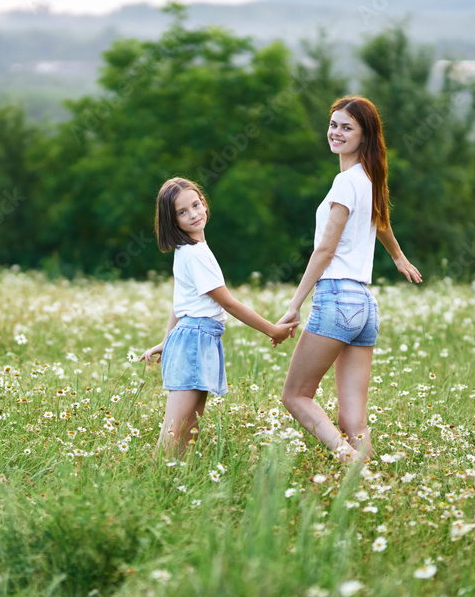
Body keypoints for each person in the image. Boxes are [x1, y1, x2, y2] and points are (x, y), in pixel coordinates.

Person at [276, 95, 422, 467]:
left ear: (364, 136)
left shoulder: (345, 183)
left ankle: (349, 461)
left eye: (347, 128)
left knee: (295, 396)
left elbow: (325, 251)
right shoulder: (369, 181)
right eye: (334, 125)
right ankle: (372, 485)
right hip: (364, 307)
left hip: (338, 298)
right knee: (352, 420)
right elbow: (382, 223)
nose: (336, 133)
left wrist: (294, 306)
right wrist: (398, 256)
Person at [139, 177, 297, 458]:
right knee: (176, 429)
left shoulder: (189, 251)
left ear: (204, 204)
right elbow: (229, 304)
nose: (194, 214)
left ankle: (175, 481)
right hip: (194, 338)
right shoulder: (194, 254)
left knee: (190, 427)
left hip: (196, 338)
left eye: (196, 205)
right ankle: (155, 479)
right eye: (182, 212)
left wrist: (167, 341)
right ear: (171, 221)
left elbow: (180, 304)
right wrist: (272, 330)